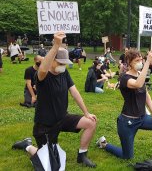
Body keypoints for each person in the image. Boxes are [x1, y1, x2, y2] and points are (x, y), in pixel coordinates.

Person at [12, 32, 98, 168]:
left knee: (91, 122)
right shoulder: (41, 76)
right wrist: (55, 46)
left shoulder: (64, 73)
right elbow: (42, 70)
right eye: (60, 62)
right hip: (44, 125)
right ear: (52, 60)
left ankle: (82, 155)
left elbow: (74, 92)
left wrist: (86, 113)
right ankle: (28, 146)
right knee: (50, 167)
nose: (63, 66)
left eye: (65, 63)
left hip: (62, 118)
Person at [97, 49, 152, 167]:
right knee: (127, 156)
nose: (140, 62)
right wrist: (148, 63)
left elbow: (146, 94)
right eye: (137, 60)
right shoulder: (124, 78)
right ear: (129, 62)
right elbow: (138, 84)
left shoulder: (139, 75)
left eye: (141, 60)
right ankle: (104, 144)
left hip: (142, 118)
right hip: (127, 122)